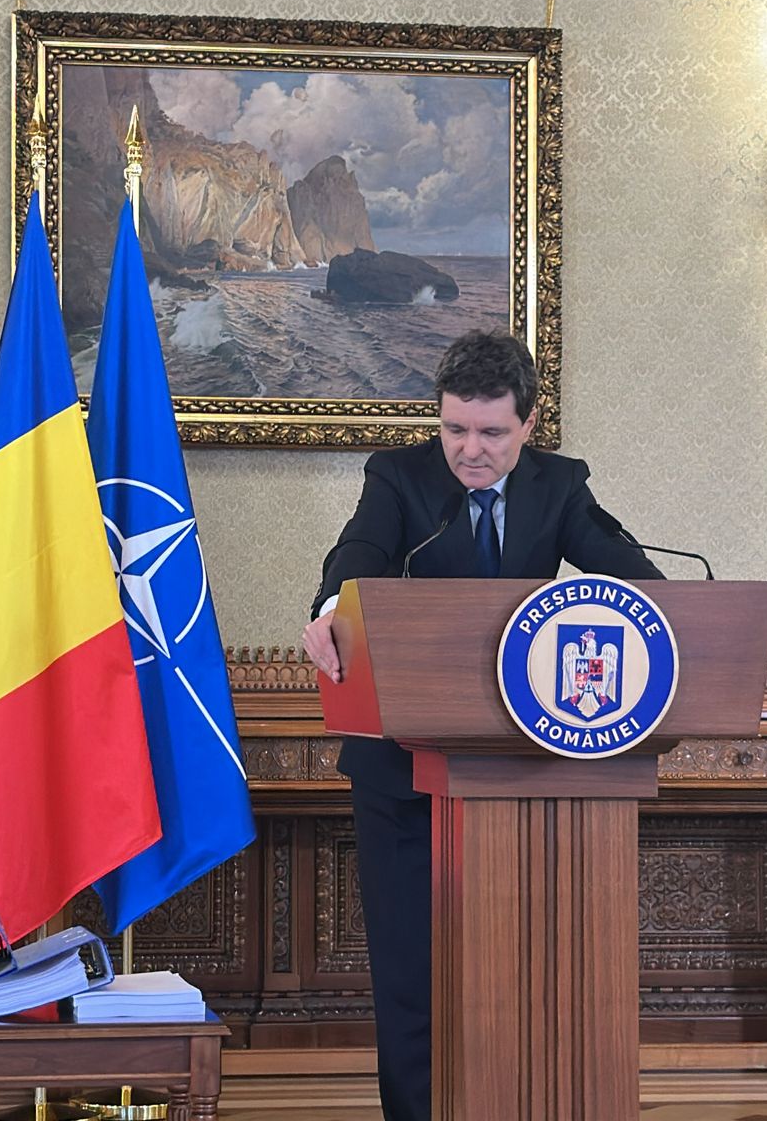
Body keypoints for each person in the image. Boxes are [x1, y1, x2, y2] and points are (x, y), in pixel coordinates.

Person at [301, 329, 664, 1121]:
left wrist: (675, 611)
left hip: (532, 774)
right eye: (455, 428)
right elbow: (358, 551)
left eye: (492, 432)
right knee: (411, 971)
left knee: (526, 968)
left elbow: (632, 577)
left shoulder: (560, 486)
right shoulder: (397, 477)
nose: (470, 450)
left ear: (529, 423)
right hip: (403, 767)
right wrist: (331, 609)